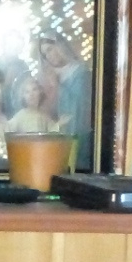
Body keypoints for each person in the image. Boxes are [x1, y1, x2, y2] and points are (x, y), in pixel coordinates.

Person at [35, 32, 92, 169]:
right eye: (45, 54)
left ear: (60, 45)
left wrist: (57, 86)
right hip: (54, 138)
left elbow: (79, 107)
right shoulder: (46, 75)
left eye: (50, 49)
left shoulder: (80, 72)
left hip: (78, 137)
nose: (49, 56)